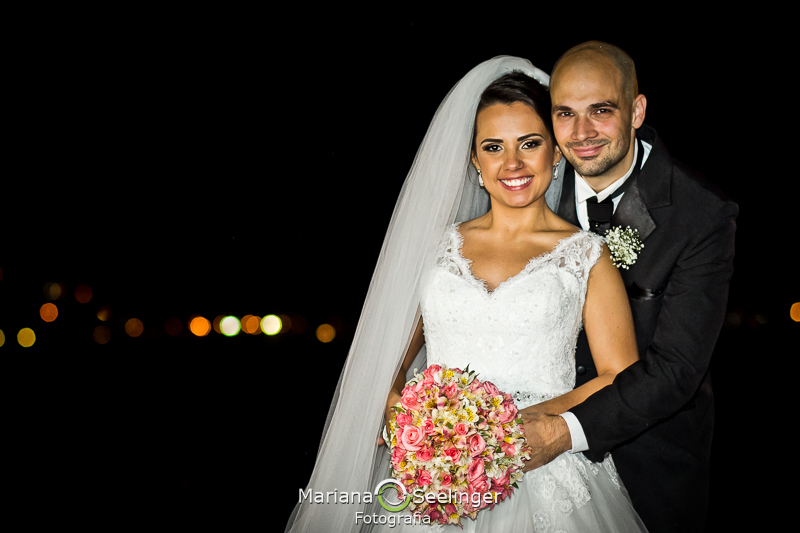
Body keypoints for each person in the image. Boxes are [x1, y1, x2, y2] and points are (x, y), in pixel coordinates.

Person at [286, 56, 648, 532]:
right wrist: (396, 403)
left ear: (556, 153)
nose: (513, 163)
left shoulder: (587, 255)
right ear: (475, 160)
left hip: (544, 468)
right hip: (433, 474)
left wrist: (509, 427)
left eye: (530, 144)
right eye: (494, 147)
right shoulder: (433, 249)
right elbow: (387, 353)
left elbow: (618, 375)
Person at [523, 41, 738, 533]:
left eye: (601, 111)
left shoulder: (699, 213)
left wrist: (561, 432)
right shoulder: (528, 184)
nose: (581, 134)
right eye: (565, 114)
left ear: (637, 110)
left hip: (647, 467)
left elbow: (676, 369)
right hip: (521, 461)